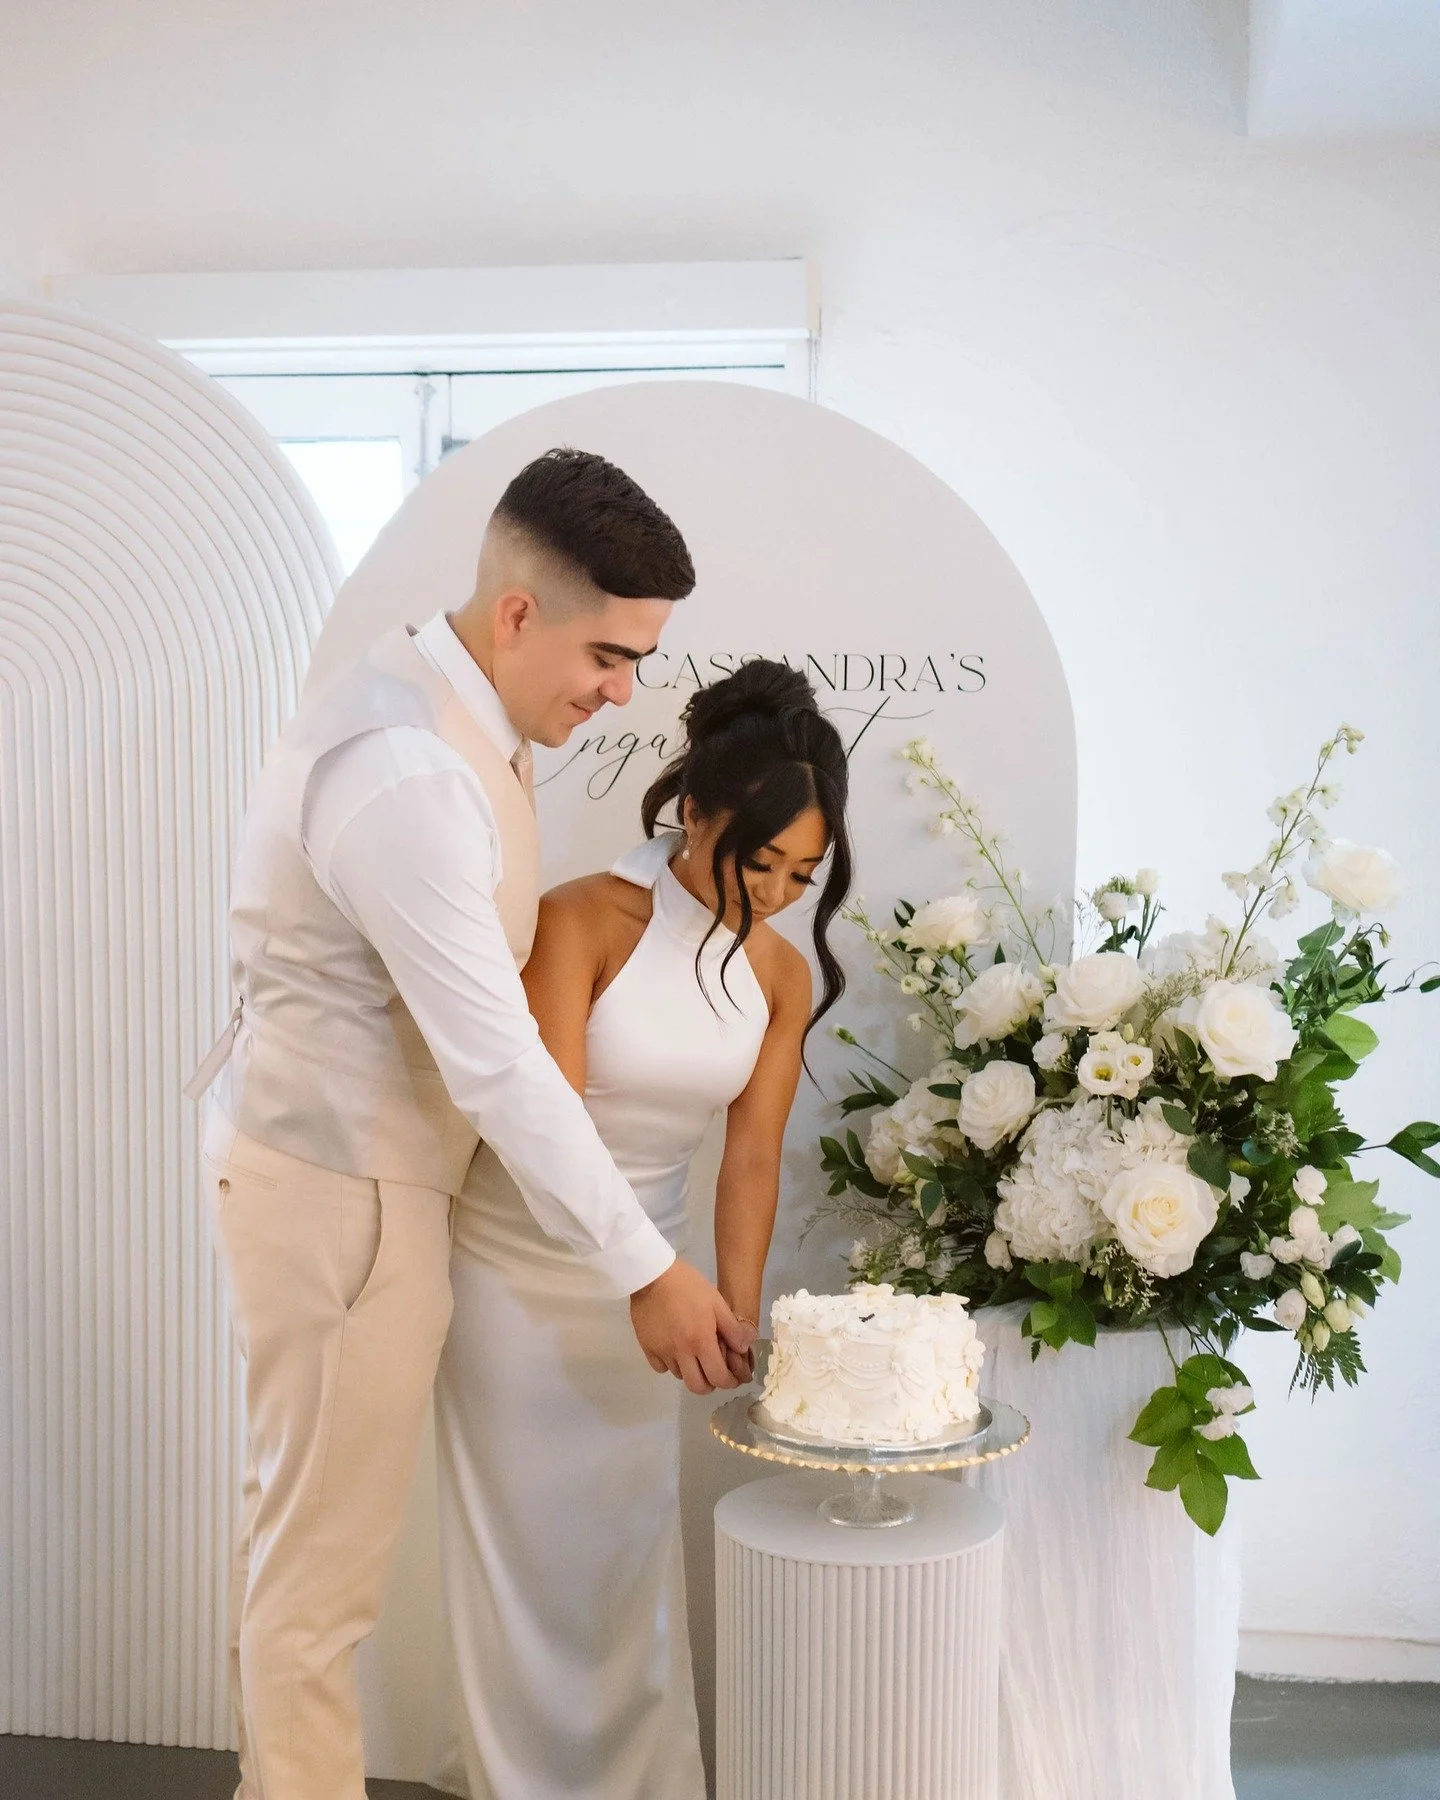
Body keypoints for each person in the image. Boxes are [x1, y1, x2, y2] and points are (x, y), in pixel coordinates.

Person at [190, 448, 755, 1800]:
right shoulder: (411, 774)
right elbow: (501, 1067)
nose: (625, 691)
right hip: (343, 1191)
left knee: (305, 1551)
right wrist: (650, 1268)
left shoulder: (440, 715)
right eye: (611, 653)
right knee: (316, 1582)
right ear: (518, 613)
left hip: (358, 1178)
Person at [433, 659, 853, 1800]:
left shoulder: (779, 976)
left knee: (622, 1566)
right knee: (524, 1567)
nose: (773, 891)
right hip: (523, 1275)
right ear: (695, 811)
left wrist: (733, 1302)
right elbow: (544, 1128)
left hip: (657, 1293)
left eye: (802, 873)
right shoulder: (581, 918)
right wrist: (650, 1276)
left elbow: (753, 1156)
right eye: (758, 859)